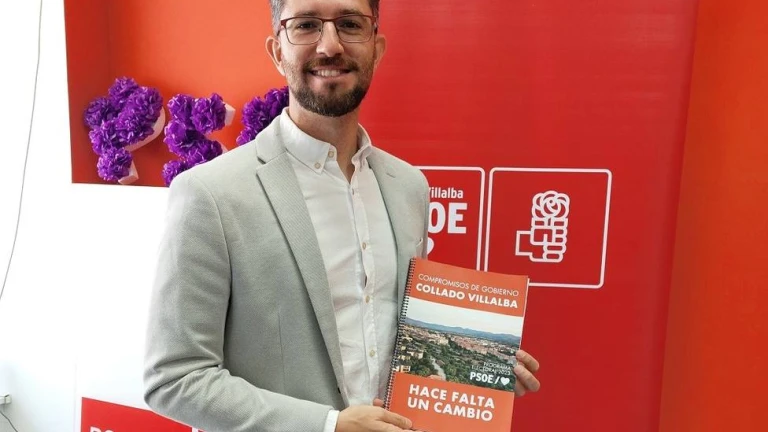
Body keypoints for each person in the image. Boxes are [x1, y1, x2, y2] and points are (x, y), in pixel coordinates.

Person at [143, 0, 541, 430]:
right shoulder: (210, 193)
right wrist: (328, 425)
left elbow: (394, 336)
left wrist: (475, 363)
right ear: (277, 50)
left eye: (350, 24)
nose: (330, 45)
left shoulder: (408, 186)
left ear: (377, 48)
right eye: (306, 25)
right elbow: (174, 378)